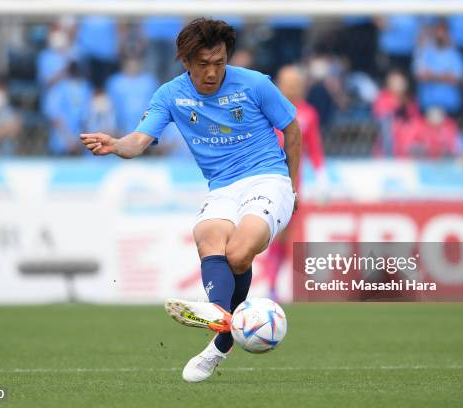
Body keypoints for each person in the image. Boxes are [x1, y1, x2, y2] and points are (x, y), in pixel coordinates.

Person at [81, 18, 301, 382]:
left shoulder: (256, 84)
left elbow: (292, 129)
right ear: (185, 61)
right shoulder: (170, 94)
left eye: (219, 62)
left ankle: (221, 336)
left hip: (268, 178)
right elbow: (139, 140)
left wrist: (292, 188)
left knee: (239, 252)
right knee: (208, 237)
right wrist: (117, 144)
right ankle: (224, 327)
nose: (213, 71)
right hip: (222, 188)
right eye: (203, 64)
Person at [264, 65, 327, 301]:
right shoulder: (266, 110)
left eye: (296, 82)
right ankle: (264, 283)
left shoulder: (308, 114)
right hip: (263, 181)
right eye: (287, 82)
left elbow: (315, 149)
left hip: (291, 187)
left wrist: (322, 180)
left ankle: (272, 285)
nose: (291, 87)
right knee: (264, 234)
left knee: (282, 236)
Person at [413, 20, 463, 115]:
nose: (440, 35)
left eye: (443, 32)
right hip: (427, 103)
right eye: (437, 31)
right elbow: (420, 76)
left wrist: (432, 76)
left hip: (451, 104)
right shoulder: (423, 52)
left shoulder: (455, 54)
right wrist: (445, 76)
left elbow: (458, 79)